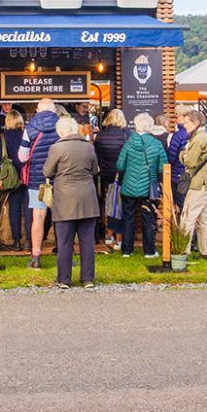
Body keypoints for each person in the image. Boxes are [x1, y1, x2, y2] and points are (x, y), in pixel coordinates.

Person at [43, 117, 100, 288]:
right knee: (87, 242)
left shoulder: (57, 148)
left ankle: (64, 279)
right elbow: (95, 170)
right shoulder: (89, 147)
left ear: (60, 132)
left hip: (65, 199)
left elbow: (47, 171)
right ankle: (88, 278)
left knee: (65, 242)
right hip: (87, 199)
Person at [116, 113, 166, 258]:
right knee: (148, 218)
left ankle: (127, 250)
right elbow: (163, 167)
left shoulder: (129, 142)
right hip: (149, 187)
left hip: (128, 187)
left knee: (128, 218)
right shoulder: (156, 144)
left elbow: (119, 165)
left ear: (136, 125)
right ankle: (149, 251)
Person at [18, 98, 60, 269]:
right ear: (54, 110)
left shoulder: (30, 127)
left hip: (38, 179)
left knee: (38, 217)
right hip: (60, 179)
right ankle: (65, 254)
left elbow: (22, 156)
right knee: (62, 217)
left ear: (37, 110)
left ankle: (36, 256)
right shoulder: (62, 126)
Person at [177, 110, 207, 258]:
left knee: (187, 216)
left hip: (198, 183)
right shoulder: (200, 137)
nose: (184, 125)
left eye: (187, 122)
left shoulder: (198, 139)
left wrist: (182, 154)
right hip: (204, 182)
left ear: (195, 123)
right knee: (202, 218)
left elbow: (190, 161)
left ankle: (182, 250)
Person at [94, 109, 129, 250]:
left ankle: (109, 235)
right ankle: (119, 237)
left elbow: (96, 157)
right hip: (122, 175)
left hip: (106, 175)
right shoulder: (126, 135)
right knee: (120, 206)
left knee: (109, 205)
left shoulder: (100, 136)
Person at [0, 109, 27, 251]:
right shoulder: (27, 135)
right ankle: (30, 240)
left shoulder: (1, 138)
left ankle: (16, 241)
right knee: (29, 209)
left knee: (14, 209)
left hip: (11, 179)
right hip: (27, 175)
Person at [167, 105, 192, 212]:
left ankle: (186, 228)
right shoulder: (198, 133)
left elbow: (171, 157)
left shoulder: (178, 135)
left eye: (177, 116)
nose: (176, 119)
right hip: (194, 174)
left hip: (179, 174)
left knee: (182, 205)